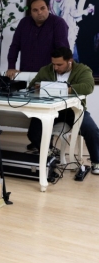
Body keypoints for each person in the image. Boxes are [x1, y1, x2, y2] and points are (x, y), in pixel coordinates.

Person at [26, 47, 99, 175]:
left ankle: (96, 162)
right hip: (50, 109)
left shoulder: (82, 70)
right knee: (33, 133)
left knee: (92, 130)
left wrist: (60, 89)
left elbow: (88, 87)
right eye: (53, 64)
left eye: (59, 65)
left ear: (70, 61)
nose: (55, 67)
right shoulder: (46, 70)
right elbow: (32, 86)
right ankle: (50, 153)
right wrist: (38, 87)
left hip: (73, 110)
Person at [5, 0, 69, 79]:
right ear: (31, 12)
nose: (39, 12)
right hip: (26, 73)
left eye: (42, 8)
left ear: (48, 8)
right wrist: (11, 67)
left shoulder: (58, 23)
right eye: (35, 10)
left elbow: (62, 50)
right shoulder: (24, 23)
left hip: (50, 74)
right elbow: (15, 46)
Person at [72, 0, 99, 72]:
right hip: (78, 26)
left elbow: (96, 15)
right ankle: (83, 68)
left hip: (89, 27)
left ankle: (90, 69)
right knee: (80, 46)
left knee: (89, 48)